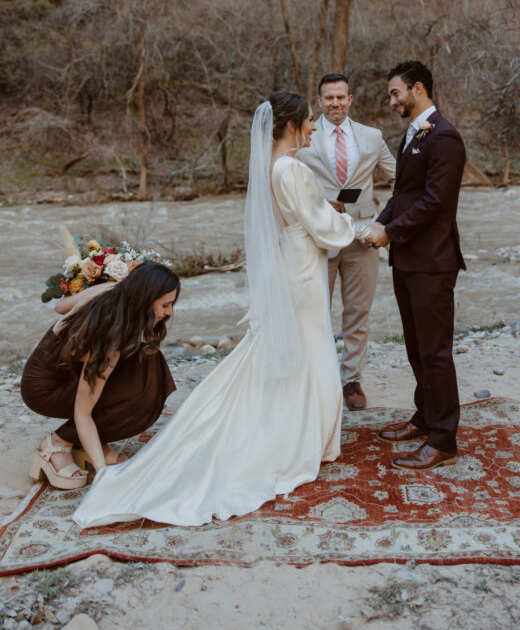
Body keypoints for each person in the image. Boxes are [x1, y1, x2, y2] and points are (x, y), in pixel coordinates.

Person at [73, 91, 361, 528]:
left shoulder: (267, 168)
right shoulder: (291, 169)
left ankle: (298, 434)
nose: (315, 126)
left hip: (288, 266)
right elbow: (323, 225)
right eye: (308, 120)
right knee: (312, 350)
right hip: (302, 270)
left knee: (291, 353)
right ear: (289, 126)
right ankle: (303, 444)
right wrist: (358, 227)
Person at [364, 61, 466, 471]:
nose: (392, 101)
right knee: (416, 347)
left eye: (395, 93)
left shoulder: (444, 138)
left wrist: (389, 233)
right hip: (408, 259)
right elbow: (405, 194)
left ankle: (444, 439)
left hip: (433, 261)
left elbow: (435, 202)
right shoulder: (414, 133)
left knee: (435, 351)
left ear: (417, 89)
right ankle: (425, 418)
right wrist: (379, 221)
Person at [21, 262, 179, 489]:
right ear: (145, 299)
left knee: (150, 363)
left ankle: (83, 444)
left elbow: (61, 308)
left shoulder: (113, 291)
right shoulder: (108, 343)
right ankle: (57, 443)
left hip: (55, 372)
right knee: (145, 393)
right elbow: (82, 413)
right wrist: (103, 475)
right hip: (44, 389)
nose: (169, 312)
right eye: (165, 304)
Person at [297, 73, 395, 410]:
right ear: (320, 101)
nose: (335, 103)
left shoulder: (372, 137)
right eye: (329, 98)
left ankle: (352, 380)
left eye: (341, 97)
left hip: (363, 237)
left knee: (358, 312)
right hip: (318, 238)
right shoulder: (304, 136)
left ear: (350, 99)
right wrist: (314, 205)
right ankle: (319, 378)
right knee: (314, 311)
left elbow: (400, 177)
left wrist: (387, 222)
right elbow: (287, 182)